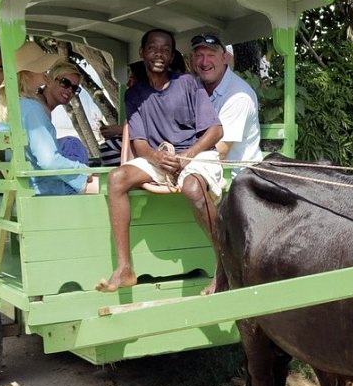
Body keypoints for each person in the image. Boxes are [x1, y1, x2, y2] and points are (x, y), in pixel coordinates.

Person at [95, 29, 224, 293]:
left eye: (166, 49)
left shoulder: (189, 82)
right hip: (160, 158)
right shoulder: (134, 95)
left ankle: (224, 266)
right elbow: (139, 144)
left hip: (195, 154)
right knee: (116, 178)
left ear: (172, 55)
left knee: (192, 188)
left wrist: (187, 158)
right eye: (153, 48)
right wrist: (157, 157)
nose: (159, 54)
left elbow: (215, 131)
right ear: (142, 52)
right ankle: (124, 269)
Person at [0, 42, 97, 195]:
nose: (45, 70)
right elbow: (48, 161)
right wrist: (84, 171)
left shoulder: (12, 105)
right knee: (113, 187)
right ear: (27, 72)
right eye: (41, 66)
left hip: (22, 185)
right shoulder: (31, 108)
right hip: (42, 190)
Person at [190, 33, 263, 174]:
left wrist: (183, 158)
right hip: (203, 168)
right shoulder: (194, 86)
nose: (204, 62)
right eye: (199, 55)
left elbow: (221, 151)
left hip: (238, 180)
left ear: (225, 58)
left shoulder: (239, 96)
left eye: (211, 55)